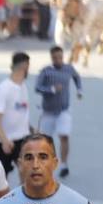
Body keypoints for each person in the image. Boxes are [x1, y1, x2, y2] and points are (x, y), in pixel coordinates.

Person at [34, 46, 82, 178]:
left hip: (63, 111)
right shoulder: (46, 71)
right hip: (48, 111)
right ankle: (45, 165)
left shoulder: (69, 69)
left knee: (64, 135)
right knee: (45, 141)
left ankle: (64, 164)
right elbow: (37, 88)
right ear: (51, 58)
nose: (58, 60)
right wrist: (52, 89)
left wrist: (79, 90)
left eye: (60, 57)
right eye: (55, 58)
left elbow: (77, 78)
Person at [0, 52, 32, 180]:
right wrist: (4, 140)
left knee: (27, 176)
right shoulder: (3, 89)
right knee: (0, 182)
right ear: (25, 67)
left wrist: (30, 128)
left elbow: (20, 112)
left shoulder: (23, 86)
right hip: (2, 143)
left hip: (21, 140)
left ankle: (23, 200)